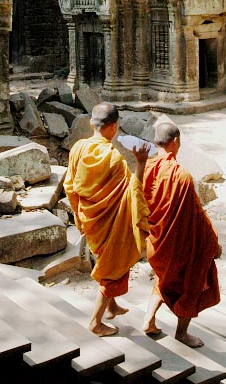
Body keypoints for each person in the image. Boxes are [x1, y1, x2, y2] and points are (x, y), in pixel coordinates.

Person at [63, 102, 150, 337]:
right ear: (114, 128)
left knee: (104, 257)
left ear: (92, 123)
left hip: (90, 218)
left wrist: (80, 215)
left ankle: (112, 307)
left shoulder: (78, 148)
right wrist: (141, 163)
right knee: (113, 265)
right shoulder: (114, 159)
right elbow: (133, 192)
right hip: (111, 223)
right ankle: (95, 322)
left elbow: (69, 185)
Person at [142, 122, 221, 348]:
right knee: (190, 283)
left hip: (157, 242)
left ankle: (148, 319)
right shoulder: (181, 176)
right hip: (180, 245)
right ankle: (182, 333)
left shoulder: (145, 168)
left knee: (164, 278)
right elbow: (195, 215)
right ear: (175, 142)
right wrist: (212, 240)